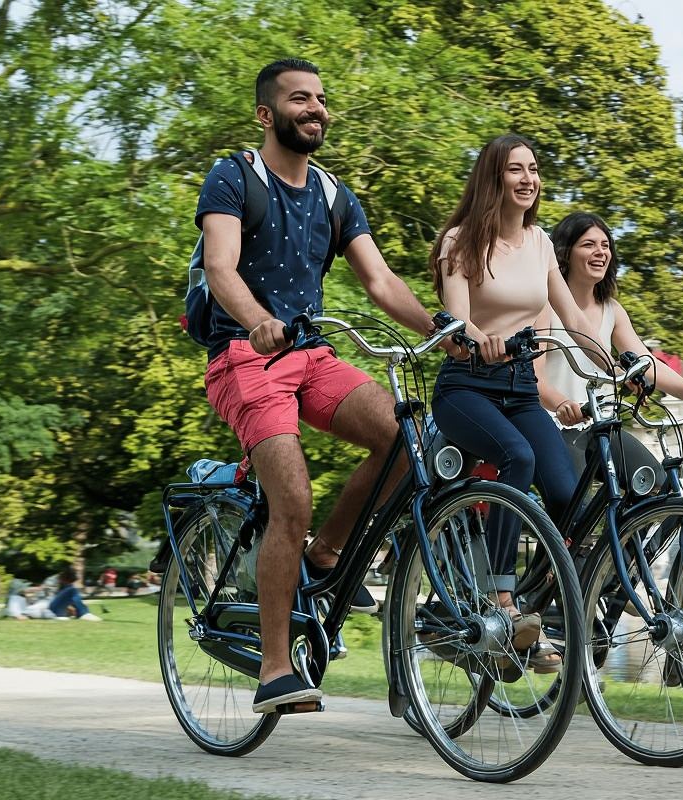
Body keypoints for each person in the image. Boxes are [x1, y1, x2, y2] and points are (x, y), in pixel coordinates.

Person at [196, 58, 450, 713]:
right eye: (300, 99)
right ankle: (276, 669)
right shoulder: (234, 177)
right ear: (266, 114)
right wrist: (255, 321)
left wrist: (447, 330)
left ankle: (328, 556)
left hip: (312, 357)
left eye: (321, 100)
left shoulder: (335, 194)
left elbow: (381, 282)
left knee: (405, 436)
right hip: (244, 357)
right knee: (294, 499)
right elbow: (221, 267)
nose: (316, 109)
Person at [428, 134, 605, 672]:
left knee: (566, 491)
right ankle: (498, 598)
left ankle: (538, 608)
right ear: (494, 178)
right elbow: (456, 314)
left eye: (533, 169)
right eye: (515, 170)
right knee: (517, 457)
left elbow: (574, 319)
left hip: (520, 392)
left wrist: (620, 369)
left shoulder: (541, 243)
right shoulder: (461, 242)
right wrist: (478, 334)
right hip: (467, 386)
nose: (528, 179)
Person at [540, 212, 683, 482]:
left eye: (605, 245)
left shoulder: (612, 310)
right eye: (588, 245)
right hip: (555, 426)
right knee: (570, 503)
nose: (600, 252)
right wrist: (562, 405)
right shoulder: (544, 307)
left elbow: (646, 363)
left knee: (657, 484)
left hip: (602, 426)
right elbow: (532, 378)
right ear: (564, 254)